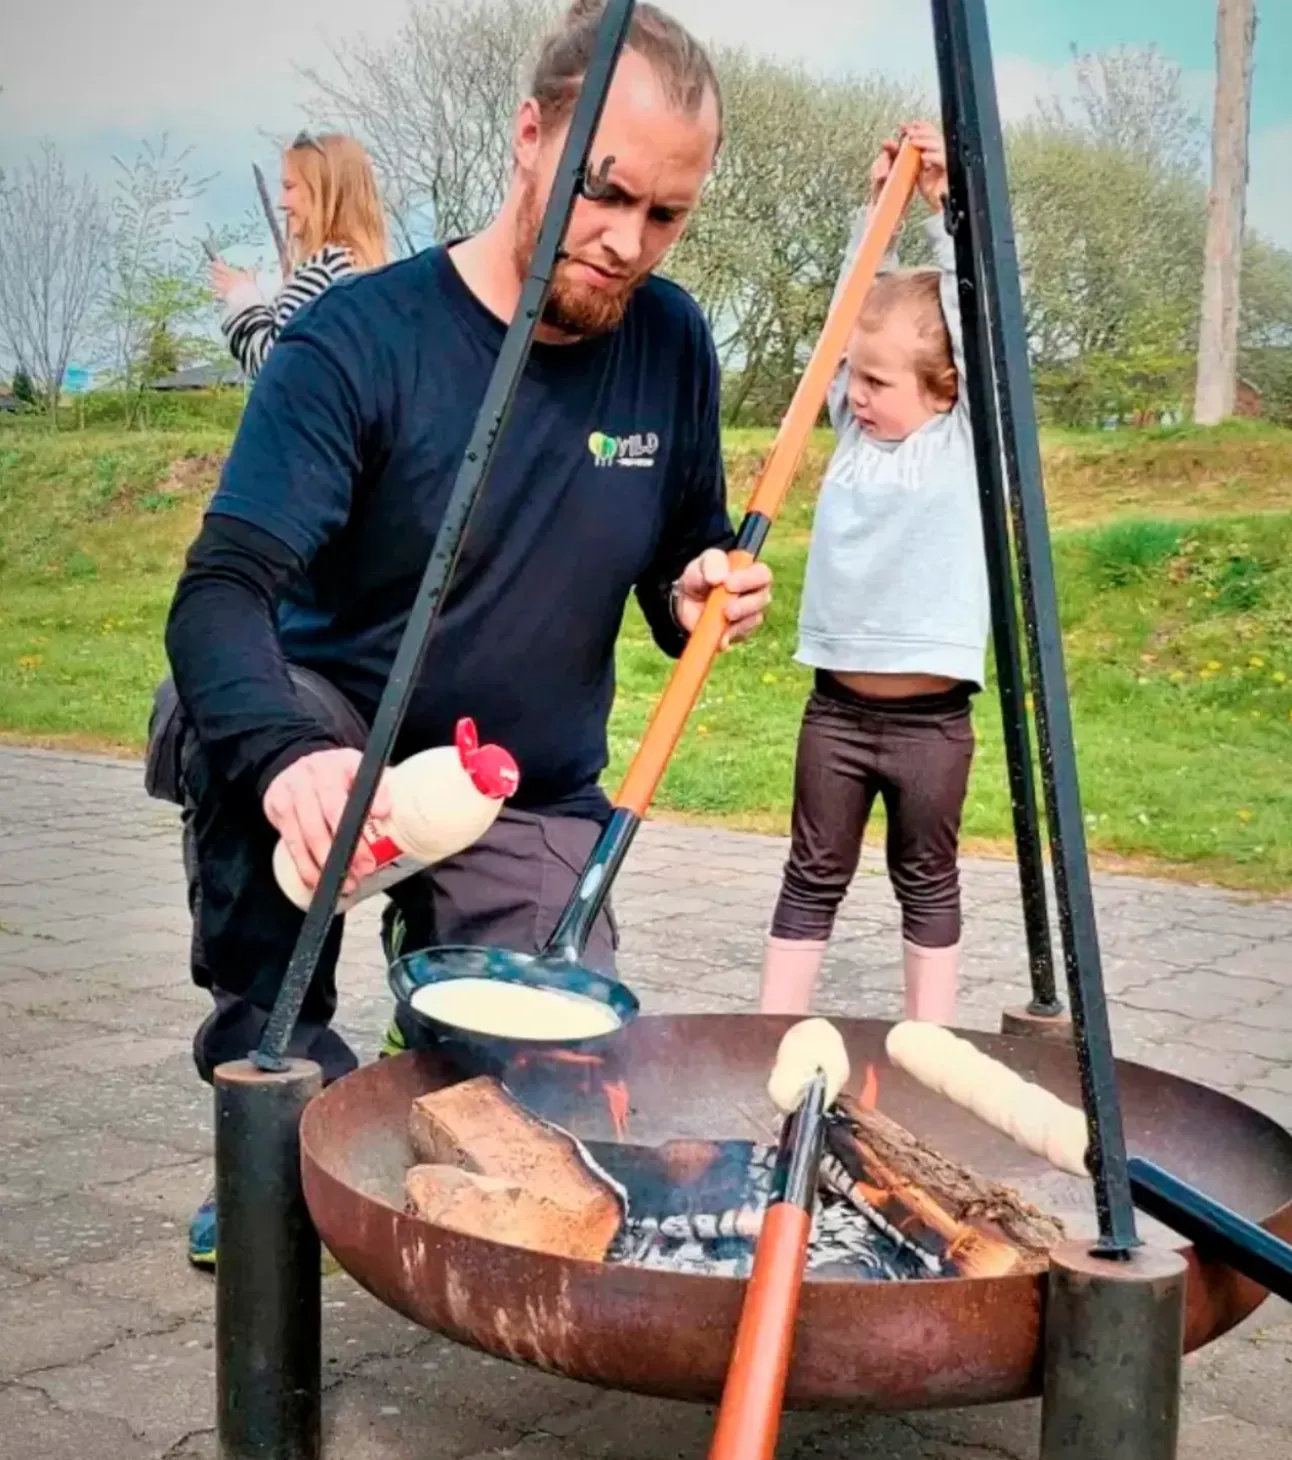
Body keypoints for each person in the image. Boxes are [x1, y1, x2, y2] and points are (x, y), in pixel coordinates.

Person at [147, 0, 772, 1269]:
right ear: (529, 135)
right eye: (604, 191)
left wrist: (695, 591)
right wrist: (285, 760)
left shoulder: (670, 342)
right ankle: (277, 1107)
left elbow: (678, 550)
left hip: (527, 782)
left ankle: (433, 1022)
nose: (627, 241)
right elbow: (219, 592)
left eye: (665, 214)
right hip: (345, 748)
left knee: (550, 1096)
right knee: (228, 733)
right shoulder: (354, 341)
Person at [756, 120, 989, 1026]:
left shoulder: (961, 440)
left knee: (925, 875)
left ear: (943, 389)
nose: (857, 396)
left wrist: (943, 211)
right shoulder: (852, 430)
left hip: (933, 725)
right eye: (855, 378)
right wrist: (877, 209)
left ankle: (930, 1039)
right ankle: (771, 1030)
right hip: (837, 712)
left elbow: (977, 334)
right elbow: (838, 330)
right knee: (812, 871)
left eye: (880, 383)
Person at [209, 131, 389, 379]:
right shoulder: (368, 274)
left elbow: (274, 366)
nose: (281, 203)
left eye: (289, 187)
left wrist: (241, 299)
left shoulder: (325, 270)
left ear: (325, 190)